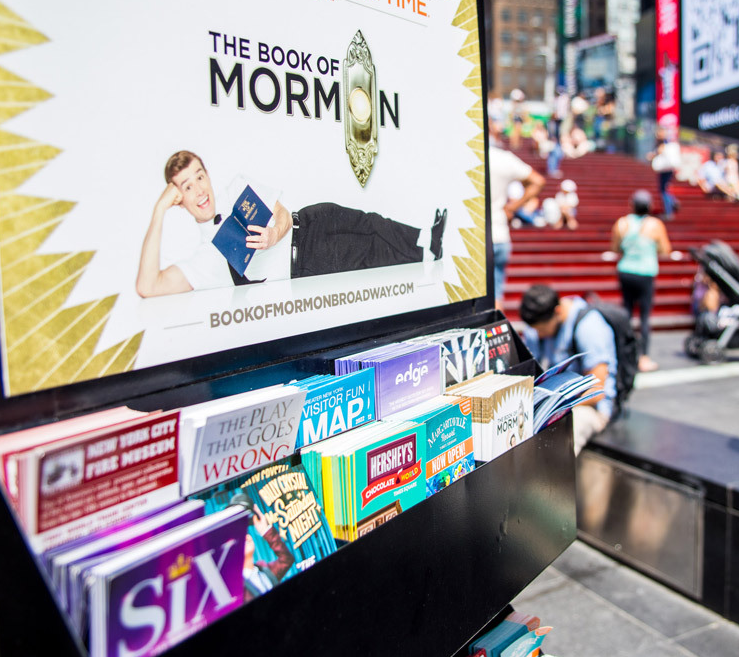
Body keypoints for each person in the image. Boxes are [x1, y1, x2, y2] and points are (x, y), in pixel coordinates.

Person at [136, 150, 446, 297]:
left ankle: (425, 237)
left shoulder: (235, 190)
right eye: (187, 186)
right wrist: (158, 210)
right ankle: (426, 253)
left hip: (310, 219)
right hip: (309, 260)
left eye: (200, 177)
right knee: (370, 251)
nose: (200, 190)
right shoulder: (206, 258)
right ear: (178, 198)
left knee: (370, 221)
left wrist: (272, 234)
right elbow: (148, 286)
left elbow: (281, 212)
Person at [519, 284, 618, 455]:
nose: (539, 335)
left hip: (588, 406)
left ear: (557, 312)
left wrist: (553, 408)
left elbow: (597, 389)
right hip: (551, 403)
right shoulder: (536, 326)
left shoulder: (589, 326)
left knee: (564, 439)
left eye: (542, 329)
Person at [611, 190, 672, 373]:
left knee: (627, 314)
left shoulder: (622, 223)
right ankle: (643, 357)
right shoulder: (655, 224)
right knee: (644, 317)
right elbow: (665, 249)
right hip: (645, 273)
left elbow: (615, 247)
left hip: (626, 271)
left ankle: (624, 354)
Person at [489, 146, 544, 310]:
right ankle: (498, 335)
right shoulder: (502, 157)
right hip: (499, 234)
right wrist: (511, 208)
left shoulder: (465, 153)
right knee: (496, 298)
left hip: (476, 238)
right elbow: (538, 181)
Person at [650, 128, 681, 219]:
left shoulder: (664, 143)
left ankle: (669, 210)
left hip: (665, 168)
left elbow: (661, 151)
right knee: (665, 189)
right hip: (667, 168)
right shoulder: (664, 142)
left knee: (663, 190)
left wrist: (654, 155)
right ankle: (672, 202)